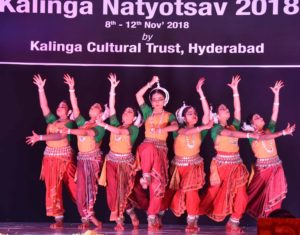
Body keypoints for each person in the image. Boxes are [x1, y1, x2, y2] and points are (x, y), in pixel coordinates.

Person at [199, 75, 259, 233]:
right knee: (215, 194)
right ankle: (194, 214)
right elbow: (230, 135)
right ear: (217, 115)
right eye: (222, 109)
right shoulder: (216, 129)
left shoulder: (234, 125)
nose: (226, 109)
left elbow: (238, 110)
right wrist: (248, 135)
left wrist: (235, 90)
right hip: (221, 167)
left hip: (236, 166)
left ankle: (233, 223)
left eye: (226, 108)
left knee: (242, 196)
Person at [25, 74, 77, 229]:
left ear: (68, 111)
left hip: (65, 158)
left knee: (74, 187)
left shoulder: (70, 123)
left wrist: (40, 137)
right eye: (59, 106)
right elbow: (44, 107)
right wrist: (41, 89)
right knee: (53, 188)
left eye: (63, 106)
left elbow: (59, 135)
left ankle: (87, 215)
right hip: (49, 158)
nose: (60, 108)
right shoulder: (52, 121)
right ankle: (58, 218)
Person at [97, 73, 145, 231]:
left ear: (134, 117)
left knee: (122, 191)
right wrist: (112, 88)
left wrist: (103, 125)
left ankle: (130, 213)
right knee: (112, 192)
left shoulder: (133, 129)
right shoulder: (116, 123)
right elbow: (112, 110)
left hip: (126, 163)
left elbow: (121, 133)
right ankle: (120, 219)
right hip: (111, 161)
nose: (126, 113)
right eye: (125, 111)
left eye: (130, 111)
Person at [244, 80, 296, 218]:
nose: (261, 118)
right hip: (263, 172)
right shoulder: (252, 136)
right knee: (265, 202)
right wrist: (283, 133)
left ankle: (275, 229)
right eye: (257, 118)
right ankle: (268, 228)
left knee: (276, 200)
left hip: (276, 168)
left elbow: (275, 112)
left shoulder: (269, 130)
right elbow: (264, 138)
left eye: (260, 116)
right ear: (252, 125)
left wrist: (277, 94)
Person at [169, 77, 213, 233]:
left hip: (194, 166)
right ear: (183, 117)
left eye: (195, 113)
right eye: (190, 113)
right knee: (180, 194)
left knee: (192, 192)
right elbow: (186, 132)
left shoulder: (202, 129)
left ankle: (192, 221)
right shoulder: (178, 129)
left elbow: (207, 115)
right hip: (178, 167)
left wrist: (201, 93)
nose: (194, 115)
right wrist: (204, 127)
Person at [135, 76, 178, 231]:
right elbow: (138, 96)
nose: (157, 101)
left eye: (160, 99)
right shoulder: (147, 112)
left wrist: (162, 129)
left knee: (158, 186)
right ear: (151, 101)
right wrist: (150, 83)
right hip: (147, 149)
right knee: (148, 146)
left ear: (164, 100)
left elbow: (174, 127)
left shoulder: (169, 115)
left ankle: (152, 215)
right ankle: (145, 174)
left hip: (161, 152)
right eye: (154, 99)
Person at [62, 74, 105, 229]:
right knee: (80, 191)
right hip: (81, 160)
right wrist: (71, 89)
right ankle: (87, 219)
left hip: (92, 160)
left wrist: (69, 132)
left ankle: (90, 219)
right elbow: (75, 107)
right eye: (92, 106)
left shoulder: (100, 126)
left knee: (89, 189)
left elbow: (87, 134)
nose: (93, 107)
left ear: (100, 114)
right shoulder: (83, 122)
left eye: (97, 107)